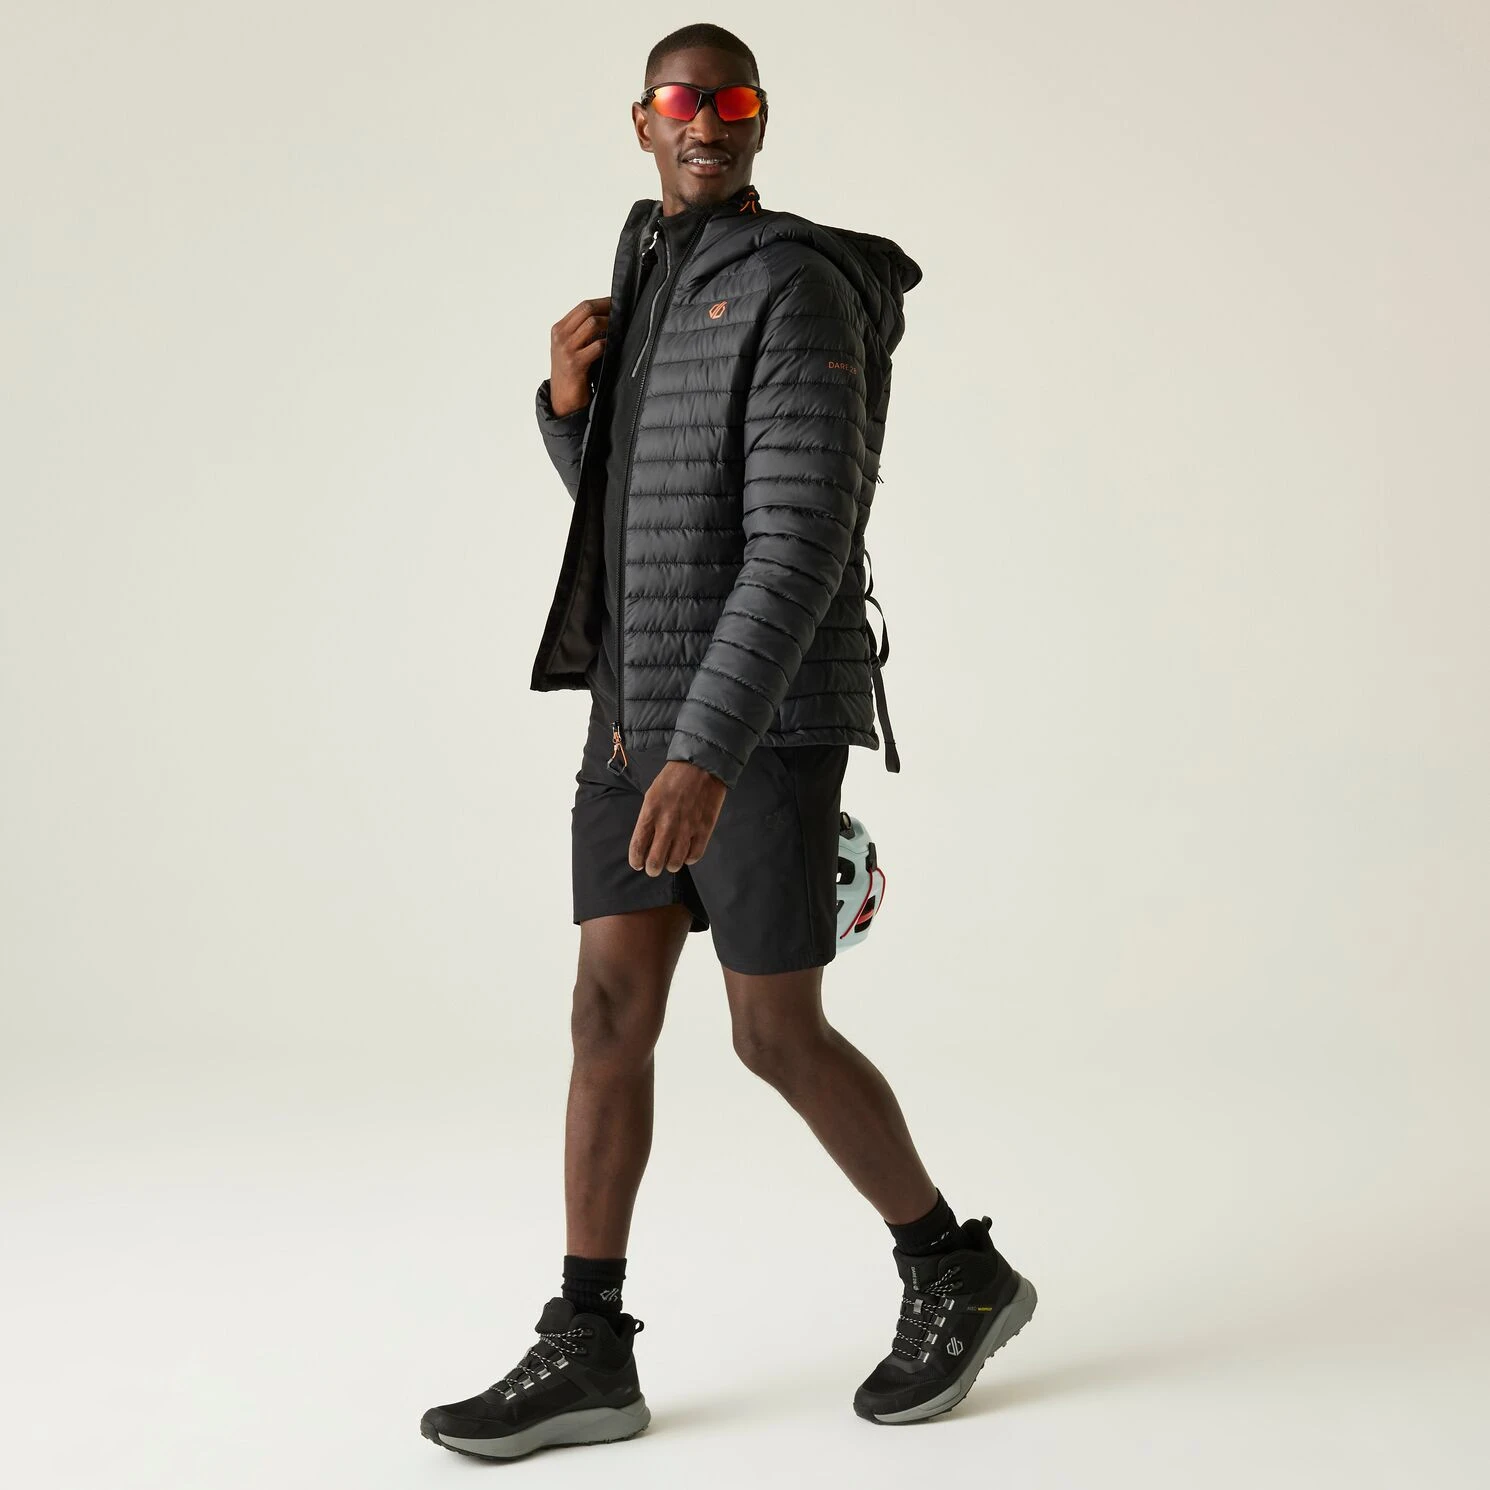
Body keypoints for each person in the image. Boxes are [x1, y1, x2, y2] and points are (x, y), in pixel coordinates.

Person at [421, 23, 1036, 1462]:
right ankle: (587, 1343)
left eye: (735, 99)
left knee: (772, 1030)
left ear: (762, 120)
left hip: (757, 722)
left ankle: (953, 1270)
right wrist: (568, 412)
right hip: (632, 711)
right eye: (683, 100)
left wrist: (704, 752)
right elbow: (645, 523)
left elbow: (799, 543)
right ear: (641, 120)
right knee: (606, 1013)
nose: (709, 120)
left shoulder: (794, 285)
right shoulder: (651, 267)